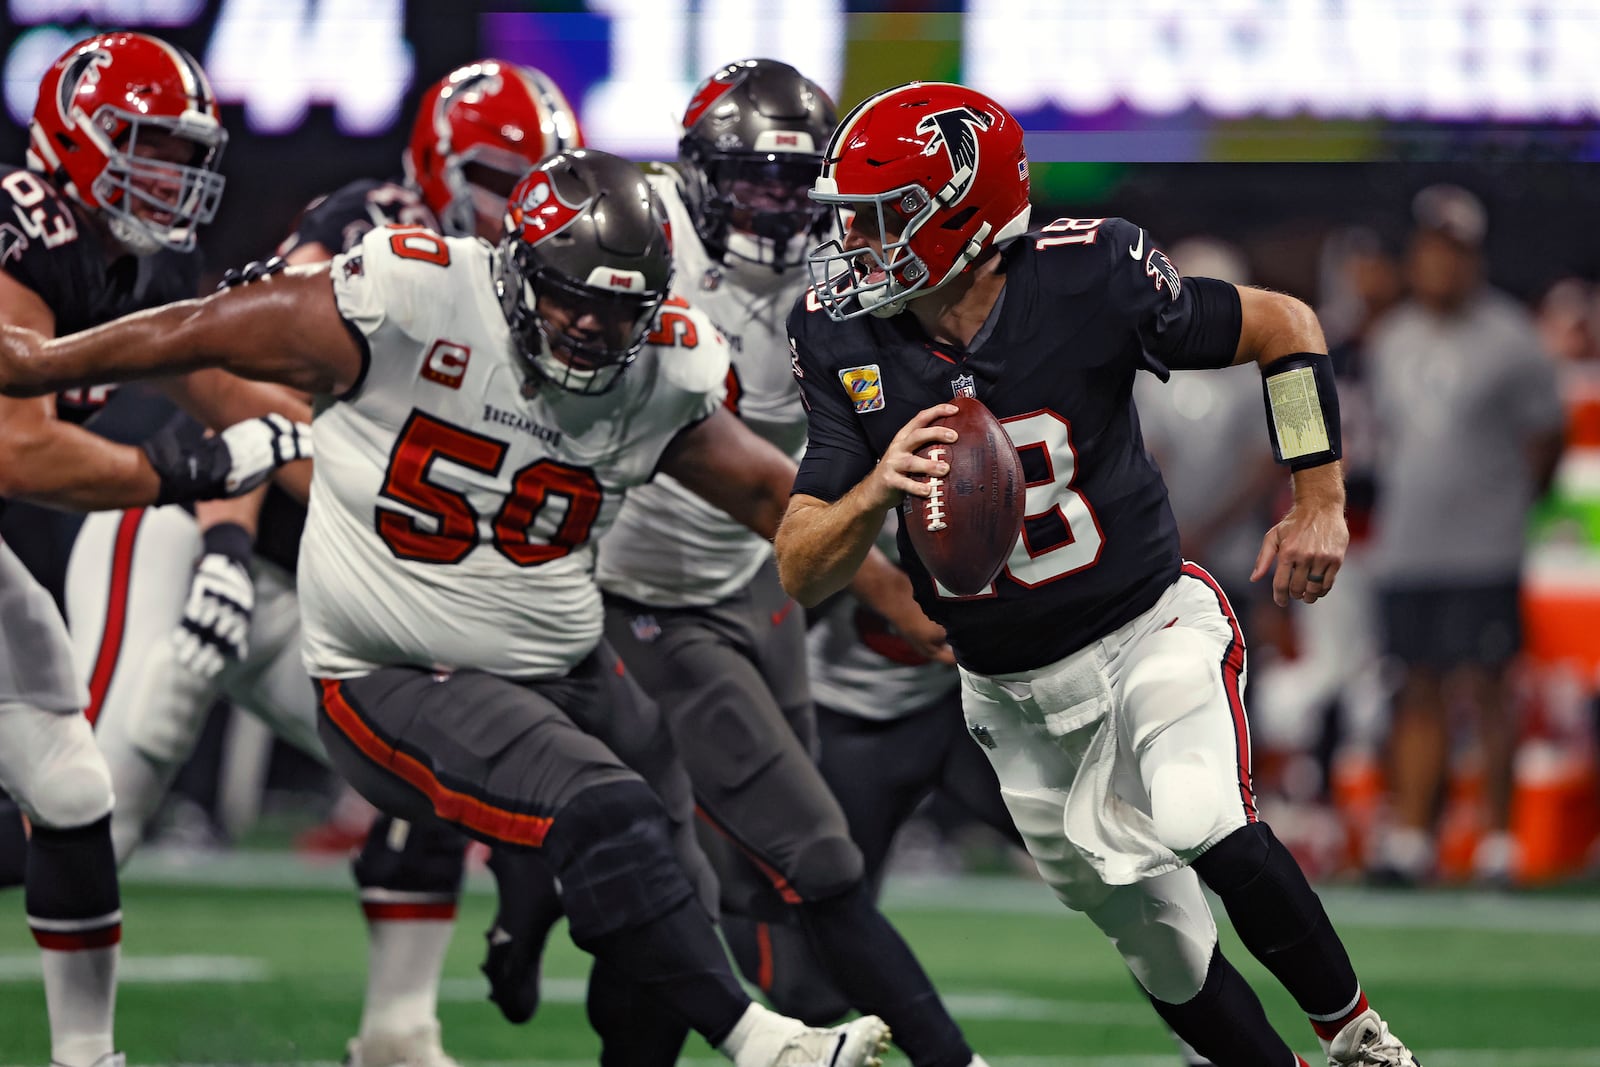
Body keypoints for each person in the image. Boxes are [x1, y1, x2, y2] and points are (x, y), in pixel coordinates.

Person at [0, 147, 891, 1067]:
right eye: (568, 294)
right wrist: (50, 372)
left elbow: (761, 491)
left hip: (524, 644)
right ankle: (759, 1042)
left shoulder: (661, 362)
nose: (588, 327)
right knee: (111, 776)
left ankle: (404, 1025)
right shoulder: (394, 276)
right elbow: (211, 346)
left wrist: (908, 594)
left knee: (659, 863)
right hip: (355, 616)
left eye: (617, 307)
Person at [775, 80, 1420, 1067]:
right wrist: (871, 494)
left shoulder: (1087, 275)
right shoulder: (837, 332)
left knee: (1204, 817)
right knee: (1158, 946)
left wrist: (1319, 496)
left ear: (963, 213)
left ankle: (1360, 1036)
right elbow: (798, 564)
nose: (854, 244)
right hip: (1007, 693)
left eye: (879, 219)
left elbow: (1286, 326)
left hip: (1144, 626)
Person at [63, 57, 584, 1067]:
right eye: (494, 175)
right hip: (206, 533)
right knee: (95, 796)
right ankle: (80, 1047)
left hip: (334, 591)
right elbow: (250, 380)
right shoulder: (372, 238)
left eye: (538, 177)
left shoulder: (550, 305)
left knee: (446, 758)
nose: (518, 203)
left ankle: (398, 1031)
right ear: (434, 167)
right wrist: (218, 542)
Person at [587, 58, 979, 1067]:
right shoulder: (643, 233)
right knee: (715, 848)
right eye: (755, 176)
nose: (778, 199)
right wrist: (889, 583)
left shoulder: (844, 271)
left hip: (762, 580)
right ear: (700, 172)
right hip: (618, 582)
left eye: (798, 178)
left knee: (756, 860)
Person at [0, 32, 313, 1067]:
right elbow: (19, 449)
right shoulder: (23, 226)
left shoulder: (129, 258)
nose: (169, 175)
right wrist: (178, 475)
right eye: (147, 145)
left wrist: (378, 472)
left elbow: (234, 399)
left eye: (182, 154)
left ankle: (86, 1056)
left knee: (71, 783)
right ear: (75, 136)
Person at [1364, 185, 1566, 887]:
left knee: (1486, 688)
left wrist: (1503, 509)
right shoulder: (1391, 338)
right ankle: (1414, 838)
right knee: (1414, 687)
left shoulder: (1512, 339)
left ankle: (1498, 843)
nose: (1436, 263)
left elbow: (1546, 443)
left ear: (1473, 258)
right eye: (1427, 249)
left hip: (1483, 545)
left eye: (1450, 250)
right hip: (1409, 545)